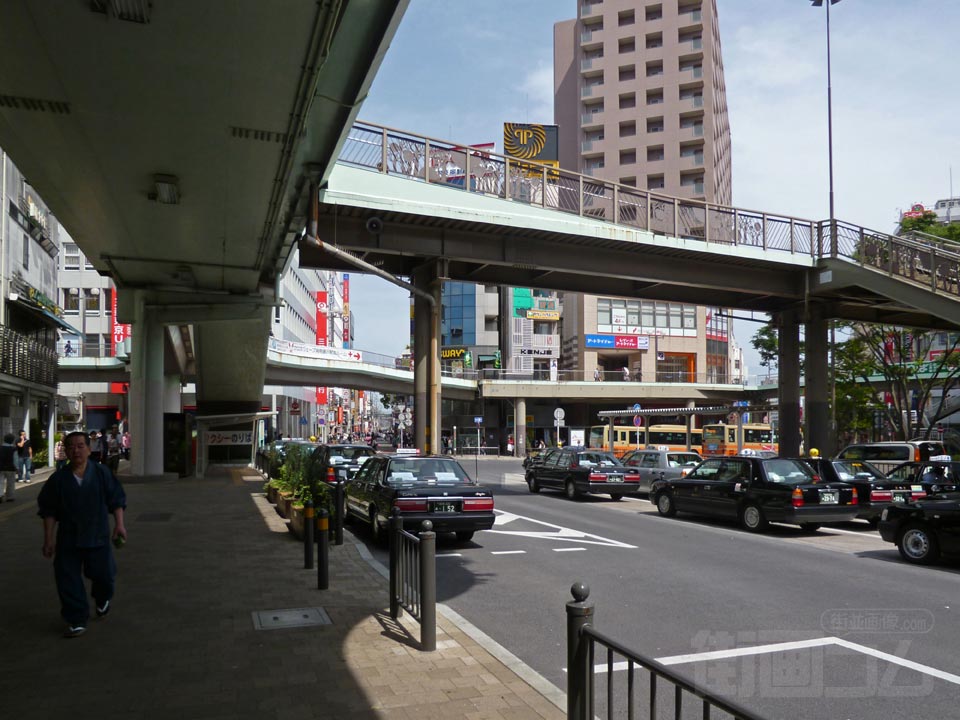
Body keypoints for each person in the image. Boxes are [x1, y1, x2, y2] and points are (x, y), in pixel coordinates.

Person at [37, 431, 127, 638]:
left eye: (80, 446)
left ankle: (102, 598)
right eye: (71, 447)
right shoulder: (58, 479)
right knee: (67, 578)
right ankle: (76, 618)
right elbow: (48, 511)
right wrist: (48, 539)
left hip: (98, 535)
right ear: (66, 451)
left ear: (88, 448)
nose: (76, 450)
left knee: (104, 575)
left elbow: (116, 500)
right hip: (69, 538)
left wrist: (119, 525)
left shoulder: (102, 473)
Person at [1, 433, 17, 502]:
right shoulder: (13, 449)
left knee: (0, 482)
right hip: (10, 468)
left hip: (0, 467)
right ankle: (10, 497)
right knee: (10, 483)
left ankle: (0, 495)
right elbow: (15, 459)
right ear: (12, 440)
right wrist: (17, 467)